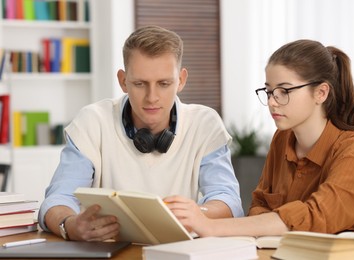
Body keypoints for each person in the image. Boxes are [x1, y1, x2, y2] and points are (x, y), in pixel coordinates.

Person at [38, 25, 244, 241]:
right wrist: (70, 225)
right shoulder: (92, 121)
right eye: (139, 84)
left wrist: (197, 215)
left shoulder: (205, 124)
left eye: (164, 83)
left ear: (181, 80)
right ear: (123, 81)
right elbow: (58, 199)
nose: (152, 97)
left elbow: (227, 199)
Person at [165, 39, 354, 237]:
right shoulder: (282, 138)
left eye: (284, 91)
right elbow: (259, 205)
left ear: (321, 93)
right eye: (269, 92)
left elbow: (316, 216)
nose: (272, 102)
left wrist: (210, 226)